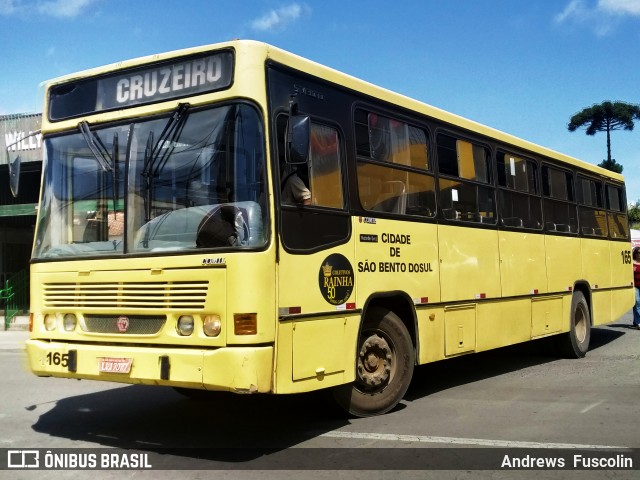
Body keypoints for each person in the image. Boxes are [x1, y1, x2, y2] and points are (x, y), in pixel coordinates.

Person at [633, 247, 640, 329]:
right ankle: (638, 322)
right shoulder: (632, 263)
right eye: (638, 253)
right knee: (637, 303)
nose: (639, 254)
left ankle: (635, 320)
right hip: (635, 286)